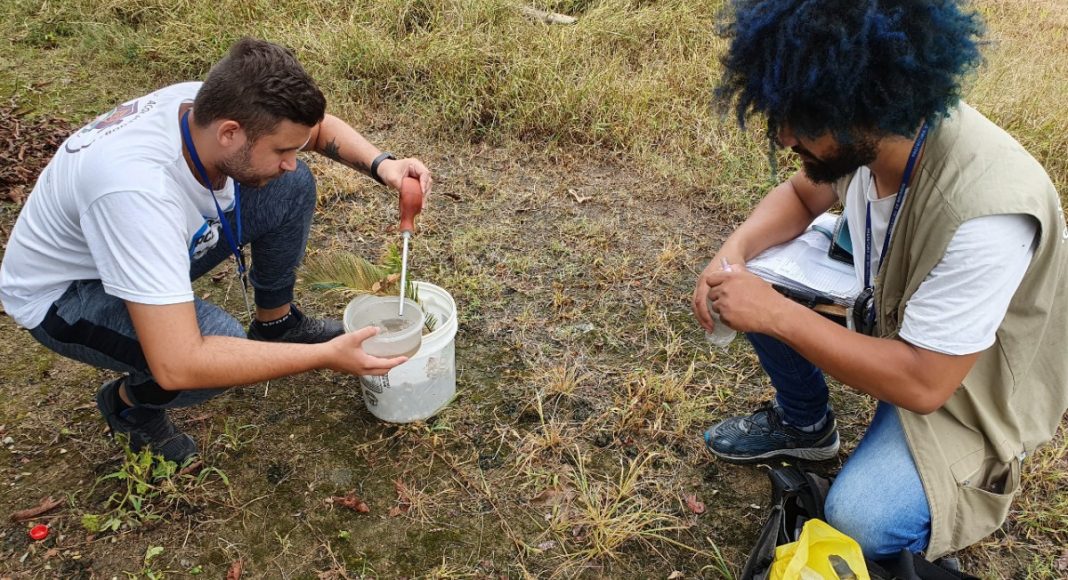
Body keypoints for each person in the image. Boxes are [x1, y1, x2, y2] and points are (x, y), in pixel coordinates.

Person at [692, 0, 1067, 561]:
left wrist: (773, 312)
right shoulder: (874, 138)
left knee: (863, 519)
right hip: (897, 326)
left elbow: (923, 384)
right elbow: (800, 195)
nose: (786, 135)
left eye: (804, 119)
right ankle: (806, 425)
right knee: (753, 275)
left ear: (864, 107)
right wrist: (731, 257)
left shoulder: (986, 213)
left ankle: (938, 505)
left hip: (964, 392)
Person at [0, 38, 433, 466]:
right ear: (230, 133)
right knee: (213, 350)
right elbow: (181, 365)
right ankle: (130, 405)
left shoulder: (209, 107)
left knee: (290, 184)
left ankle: (277, 324)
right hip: (69, 293)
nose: (291, 158)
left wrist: (384, 165)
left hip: (146, 244)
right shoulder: (136, 191)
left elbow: (314, 131)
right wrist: (324, 357)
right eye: (282, 149)